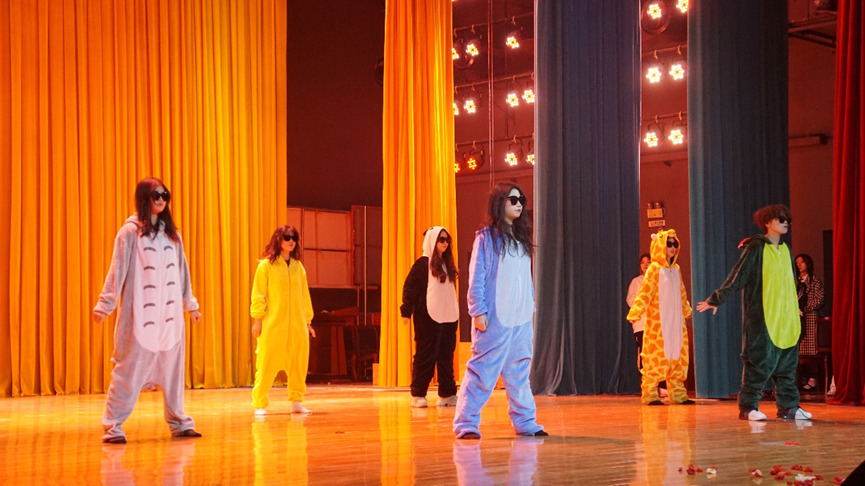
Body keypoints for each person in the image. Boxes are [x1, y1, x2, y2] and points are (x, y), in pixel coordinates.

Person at [94, 177, 203, 444]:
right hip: (140, 319)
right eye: (156, 195)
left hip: (170, 321)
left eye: (165, 195)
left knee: (174, 375)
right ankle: (113, 425)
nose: (161, 199)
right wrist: (105, 305)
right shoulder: (129, 232)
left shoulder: (173, 236)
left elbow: (182, 272)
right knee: (127, 373)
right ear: (145, 198)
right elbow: (117, 270)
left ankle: (180, 423)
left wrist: (190, 305)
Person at [696, 205, 812, 421]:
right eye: (780, 219)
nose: (785, 222)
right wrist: (716, 299)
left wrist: (794, 306)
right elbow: (738, 275)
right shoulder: (756, 247)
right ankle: (748, 407)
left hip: (786, 319)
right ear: (767, 223)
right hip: (764, 319)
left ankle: (789, 407)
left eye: (787, 219)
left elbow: (790, 281)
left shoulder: (786, 250)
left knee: (787, 367)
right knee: (759, 364)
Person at [453, 182, 547, 439]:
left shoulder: (521, 240)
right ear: (499, 203)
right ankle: (466, 423)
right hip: (495, 318)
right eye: (512, 199)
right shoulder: (485, 239)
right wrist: (477, 310)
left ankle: (526, 422)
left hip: (520, 319)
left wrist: (530, 305)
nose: (518, 204)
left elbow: (525, 278)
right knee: (482, 372)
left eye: (521, 200)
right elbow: (477, 277)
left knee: (519, 374)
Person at [250, 225, 316, 415]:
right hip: (273, 326)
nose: (291, 241)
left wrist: (307, 321)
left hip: (297, 327)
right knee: (266, 364)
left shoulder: (298, 267)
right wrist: (258, 320)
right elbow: (259, 294)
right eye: (287, 237)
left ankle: (296, 401)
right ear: (278, 239)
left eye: (294, 237)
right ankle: (260, 403)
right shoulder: (265, 266)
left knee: (298, 365)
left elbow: (304, 295)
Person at [627, 230, 694, 405]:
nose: (672, 247)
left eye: (674, 244)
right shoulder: (654, 269)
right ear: (660, 246)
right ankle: (650, 394)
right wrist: (636, 311)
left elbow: (681, 292)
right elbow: (645, 293)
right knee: (656, 358)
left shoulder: (676, 269)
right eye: (668, 244)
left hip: (676, 323)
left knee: (677, 356)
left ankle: (678, 394)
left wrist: (686, 308)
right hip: (659, 324)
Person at [401, 226, 460, 408]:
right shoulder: (422, 265)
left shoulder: (447, 264)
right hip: (428, 318)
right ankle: (419, 394)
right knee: (425, 356)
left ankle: (447, 393)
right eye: (441, 239)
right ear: (432, 241)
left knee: (446, 356)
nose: (445, 243)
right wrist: (406, 311)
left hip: (448, 318)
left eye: (447, 240)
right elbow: (410, 288)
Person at [795, 253, 825, 391]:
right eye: (797, 262)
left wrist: (806, 308)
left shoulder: (814, 280)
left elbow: (819, 299)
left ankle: (812, 377)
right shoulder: (794, 280)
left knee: (810, 348)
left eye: (802, 262)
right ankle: (798, 378)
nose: (799, 265)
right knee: (797, 348)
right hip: (796, 317)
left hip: (810, 317)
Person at [626, 253, 651, 369]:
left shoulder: (658, 280)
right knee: (644, 352)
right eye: (643, 262)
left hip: (656, 324)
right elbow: (630, 300)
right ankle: (644, 376)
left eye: (648, 262)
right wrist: (642, 304)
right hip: (641, 324)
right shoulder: (636, 281)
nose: (645, 265)